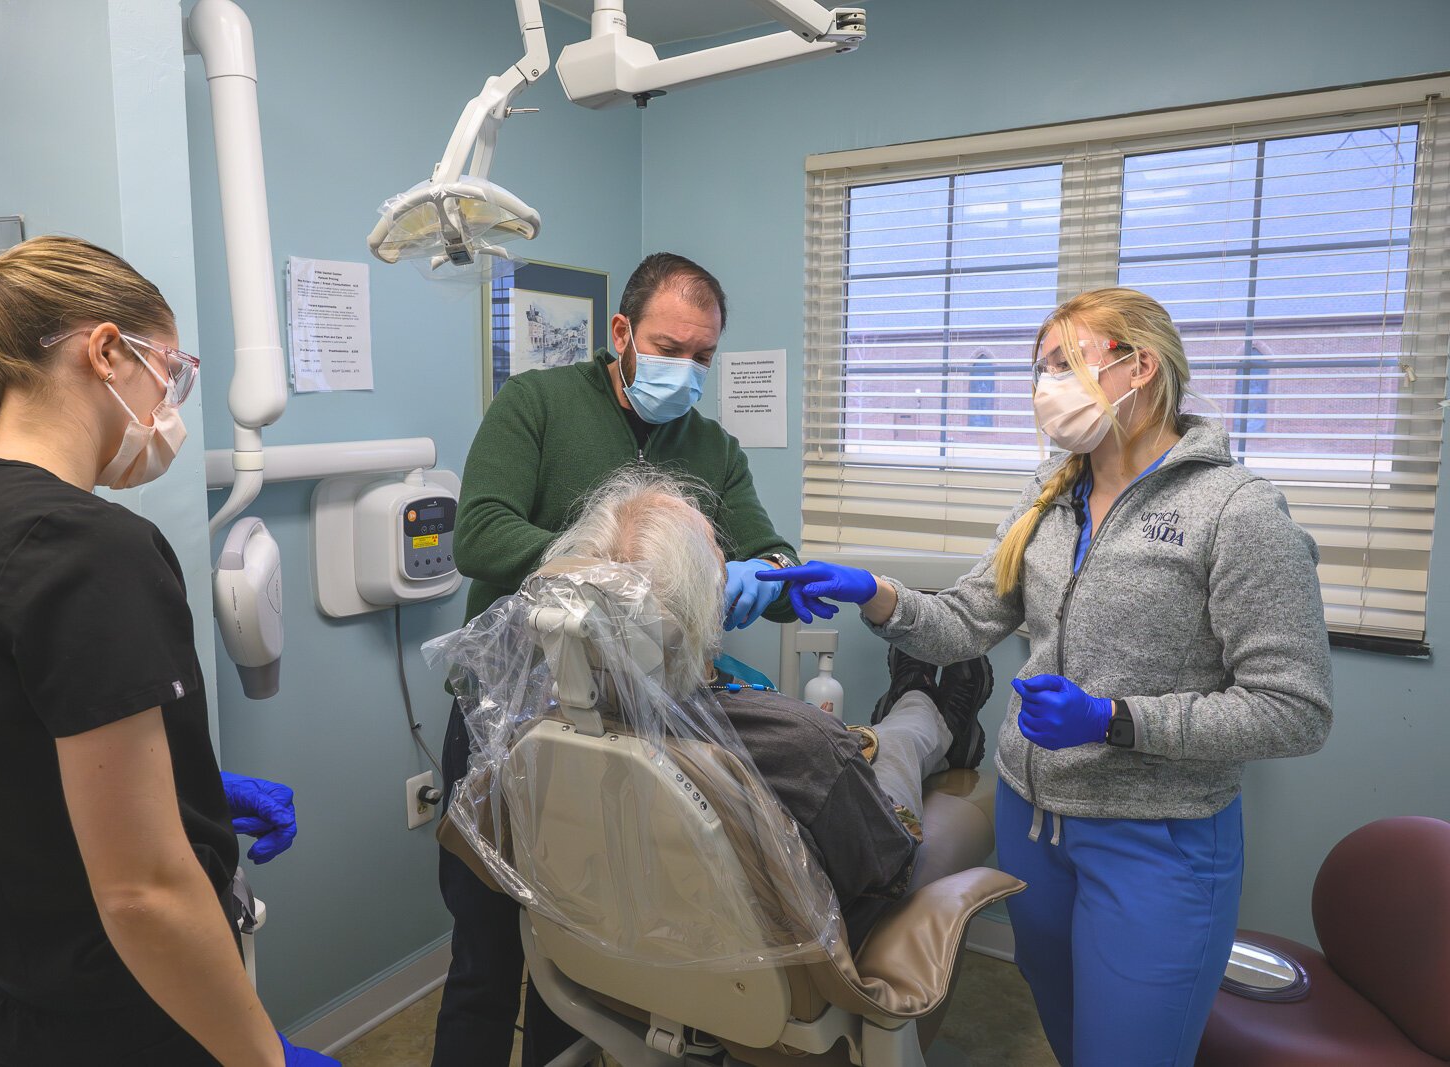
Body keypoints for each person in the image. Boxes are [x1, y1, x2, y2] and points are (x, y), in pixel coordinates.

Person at [758, 287, 1334, 1066]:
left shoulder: (1235, 510)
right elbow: (967, 619)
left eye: (1067, 363)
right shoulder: (1052, 493)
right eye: (1041, 366)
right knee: (1069, 1041)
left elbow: (1294, 708)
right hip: (1034, 831)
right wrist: (876, 592)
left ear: (1141, 368)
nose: (1044, 385)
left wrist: (1112, 719)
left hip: (1156, 845)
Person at [0, 236, 335, 1066]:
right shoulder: (86, 546)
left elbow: (0, 762)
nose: (171, 405)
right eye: (173, 373)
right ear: (109, 350)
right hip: (114, 1026)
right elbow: (144, 893)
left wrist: (183, 790)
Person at [433, 252, 802, 1066]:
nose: (688, 369)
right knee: (487, 957)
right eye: (672, 347)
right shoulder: (536, 404)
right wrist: (624, 576)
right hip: (508, 719)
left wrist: (764, 575)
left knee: (584, 961)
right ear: (622, 333)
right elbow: (480, 533)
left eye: (704, 356)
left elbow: (770, 548)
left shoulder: (710, 444)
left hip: (630, 727)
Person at [537, 469, 995, 949]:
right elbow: (885, 863)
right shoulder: (803, 740)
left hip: (622, 940)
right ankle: (927, 710)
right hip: (790, 952)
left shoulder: (554, 724)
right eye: (719, 555)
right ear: (706, 602)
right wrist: (839, 753)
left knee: (860, 747)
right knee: (898, 743)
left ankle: (915, 708)